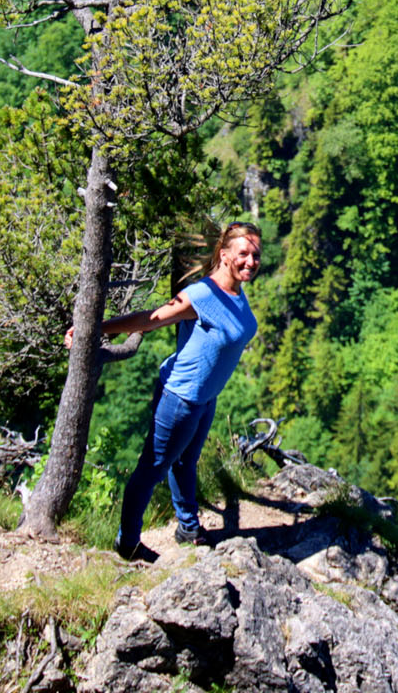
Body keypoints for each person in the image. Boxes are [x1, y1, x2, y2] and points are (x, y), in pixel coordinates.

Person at [66, 221, 262, 562]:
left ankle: (187, 527)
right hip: (180, 398)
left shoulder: (236, 292)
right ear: (225, 253)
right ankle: (128, 543)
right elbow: (152, 318)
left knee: (186, 461)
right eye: (243, 253)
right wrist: (96, 328)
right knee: (152, 469)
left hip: (204, 398)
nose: (250, 261)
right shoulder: (204, 295)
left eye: (256, 255)